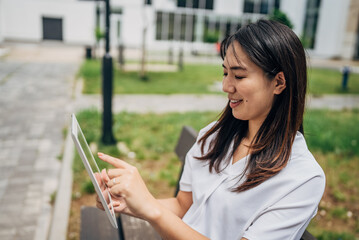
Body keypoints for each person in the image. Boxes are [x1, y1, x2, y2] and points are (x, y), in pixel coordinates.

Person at [95, 19, 325, 240]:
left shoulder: (303, 178)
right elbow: (183, 206)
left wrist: (153, 210)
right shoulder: (214, 135)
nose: (226, 86)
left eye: (239, 75)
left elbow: (165, 214)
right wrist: (128, 203)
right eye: (225, 73)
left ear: (278, 83)